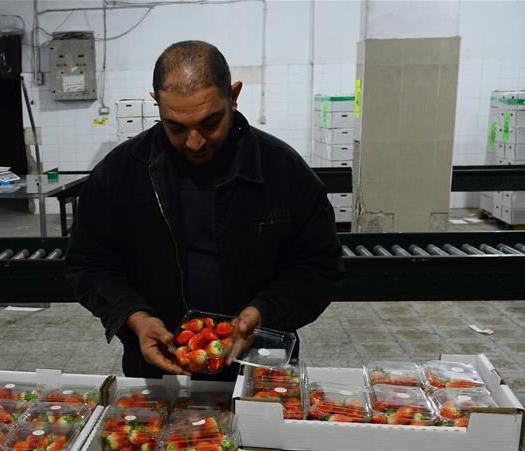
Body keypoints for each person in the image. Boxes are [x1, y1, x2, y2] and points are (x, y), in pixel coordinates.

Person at [66, 40, 344, 378]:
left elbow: (319, 266)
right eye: (176, 127)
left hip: (260, 366)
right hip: (159, 370)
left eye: (210, 122)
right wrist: (136, 318)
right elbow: (89, 265)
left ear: (234, 96)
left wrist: (265, 310)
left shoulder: (282, 171)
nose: (194, 142)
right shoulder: (120, 175)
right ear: (157, 104)